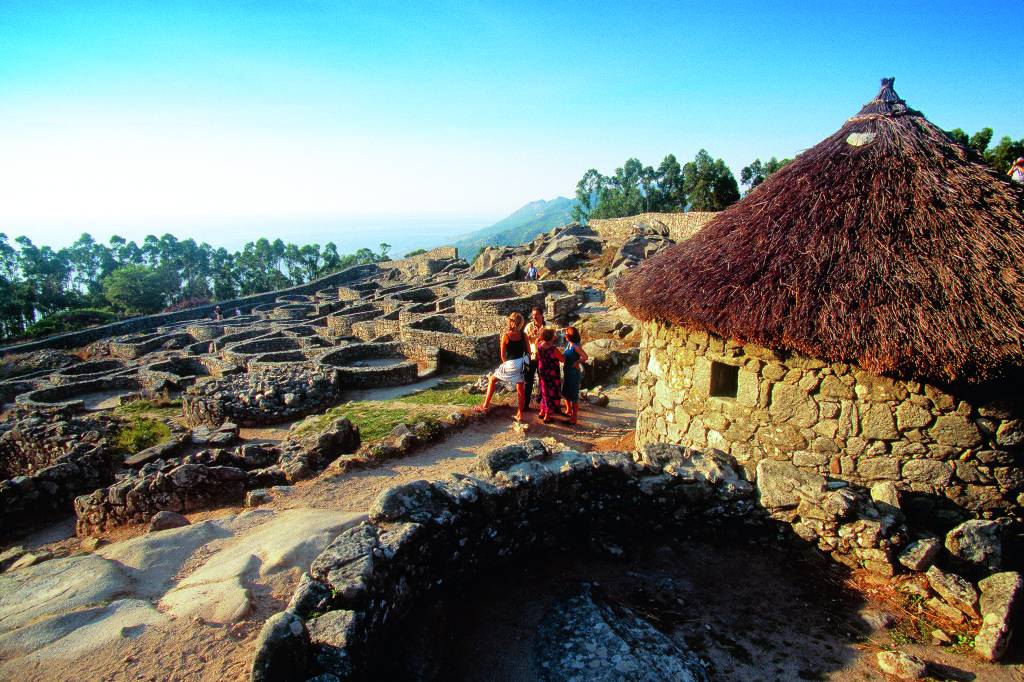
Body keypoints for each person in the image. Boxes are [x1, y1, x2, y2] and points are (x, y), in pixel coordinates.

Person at [475, 312, 528, 421]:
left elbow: (503, 355)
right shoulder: (524, 335)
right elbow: (529, 351)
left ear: (511, 321)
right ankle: (520, 414)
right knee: (520, 389)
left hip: (511, 363)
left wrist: (506, 365)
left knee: (492, 380)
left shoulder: (506, 335)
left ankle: (485, 406)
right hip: (521, 363)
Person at [561, 326, 588, 425]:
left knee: (573, 395)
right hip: (567, 371)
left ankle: (574, 417)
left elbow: (585, 356)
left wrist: (577, 362)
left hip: (573, 373)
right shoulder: (569, 344)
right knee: (566, 391)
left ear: (570, 336)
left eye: (566, 333)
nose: (564, 335)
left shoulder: (576, 346)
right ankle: (569, 410)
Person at [535, 327, 564, 422]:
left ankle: (542, 411)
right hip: (552, 373)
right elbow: (562, 359)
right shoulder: (553, 349)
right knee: (552, 393)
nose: (555, 336)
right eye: (554, 335)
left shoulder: (539, 345)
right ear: (551, 337)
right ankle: (547, 415)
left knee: (544, 391)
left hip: (542, 372)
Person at [523, 306, 546, 409]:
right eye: (533, 315)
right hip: (532, 357)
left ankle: (541, 400)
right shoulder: (529, 326)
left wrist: (543, 338)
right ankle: (526, 403)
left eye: (537, 314)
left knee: (543, 379)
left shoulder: (548, 327)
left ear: (542, 315)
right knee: (528, 381)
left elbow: (553, 339)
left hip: (543, 357)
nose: (534, 317)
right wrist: (530, 334)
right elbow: (524, 340)